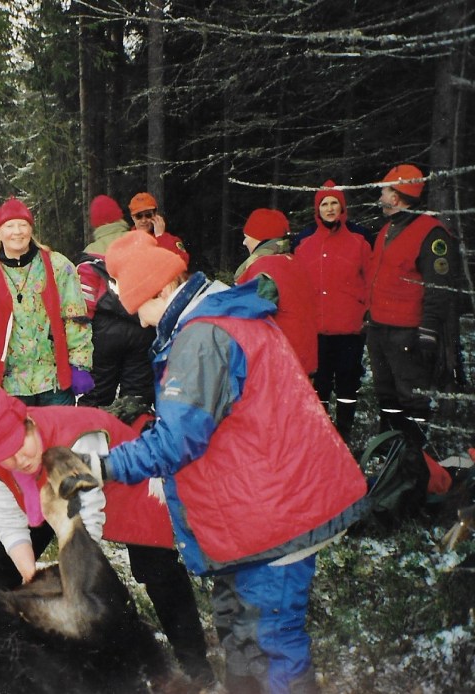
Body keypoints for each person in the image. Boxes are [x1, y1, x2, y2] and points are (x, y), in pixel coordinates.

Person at [99, 230, 368, 694]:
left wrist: (101, 466)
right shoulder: (217, 315)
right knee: (242, 634)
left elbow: (175, 441)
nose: (141, 321)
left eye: (141, 306)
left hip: (275, 516)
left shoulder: (204, 336)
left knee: (271, 641)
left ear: (164, 289)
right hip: (261, 504)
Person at [0, 387, 215, 685]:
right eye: (7, 455)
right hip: (50, 491)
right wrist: (31, 576)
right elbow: (9, 522)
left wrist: (70, 589)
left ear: (29, 423)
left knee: (158, 571)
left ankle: (195, 662)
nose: (19, 460)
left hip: (125, 483)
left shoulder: (76, 438)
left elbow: (85, 531)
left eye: (20, 445)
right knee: (3, 565)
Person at [0, 197, 93, 406]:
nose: (17, 232)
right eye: (9, 226)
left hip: (54, 382)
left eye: (23, 225)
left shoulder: (57, 266)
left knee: (58, 430)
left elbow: (76, 316)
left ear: (31, 229)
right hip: (9, 386)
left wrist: (80, 364)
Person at [366, 163, 463, 436]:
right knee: (386, 393)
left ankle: (414, 452)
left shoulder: (432, 234)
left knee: (412, 397)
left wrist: (428, 331)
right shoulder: (388, 229)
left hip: (407, 333)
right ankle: (389, 446)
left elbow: (438, 288)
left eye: (384, 191)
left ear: (396, 197)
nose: (381, 196)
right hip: (379, 328)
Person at [293, 180, 373, 440]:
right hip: (316, 329)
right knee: (320, 384)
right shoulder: (303, 242)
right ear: (317, 209)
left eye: (334, 203)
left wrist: (366, 313)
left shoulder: (360, 240)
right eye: (324, 204)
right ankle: (321, 437)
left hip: (350, 328)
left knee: (348, 384)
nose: (329, 209)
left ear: (342, 207)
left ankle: (345, 434)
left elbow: (371, 280)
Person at [76, 194, 156, 407]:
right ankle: (135, 426)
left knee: (97, 395)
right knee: (137, 398)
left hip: (104, 335)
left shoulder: (89, 255)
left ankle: (94, 427)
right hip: (142, 328)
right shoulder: (144, 243)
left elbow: (84, 304)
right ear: (120, 217)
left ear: (95, 223)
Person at [234, 208, 318, 375]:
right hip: (301, 360)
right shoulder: (292, 262)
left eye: (247, 237)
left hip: (278, 365)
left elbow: (252, 316)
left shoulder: (266, 268)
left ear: (260, 238)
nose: (244, 242)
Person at [128, 191, 190, 264]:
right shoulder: (125, 243)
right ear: (133, 218)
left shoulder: (172, 241)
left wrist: (161, 238)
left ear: (155, 215)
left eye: (148, 215)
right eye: (139, 216)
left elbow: (182, 262)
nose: (144, 220)